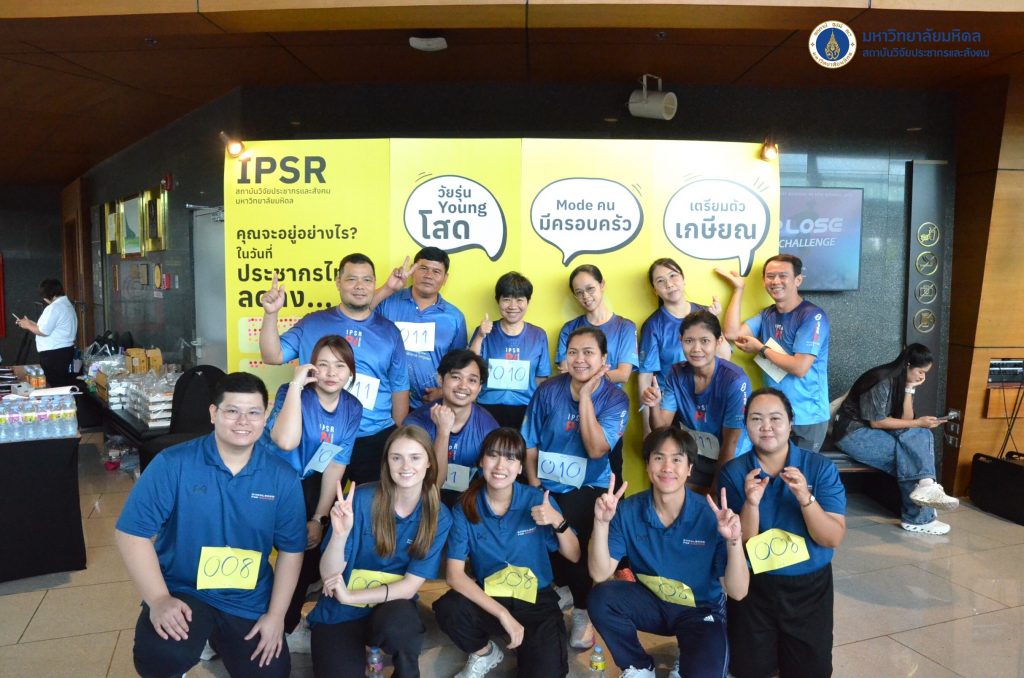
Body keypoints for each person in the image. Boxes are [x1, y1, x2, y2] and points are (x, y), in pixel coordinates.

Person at [115, 372, 306, 678]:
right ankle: (198, 639)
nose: (243, 421)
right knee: (162, 656)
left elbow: (291, 550)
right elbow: (131, 533)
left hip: (247, 597)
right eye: (232, 411)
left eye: (253, 412)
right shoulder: (173, 463)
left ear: (266, 416)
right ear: (214, 413)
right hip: (185, 588)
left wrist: (276, 616)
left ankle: (219, 637)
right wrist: (158, 599)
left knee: (270, 671)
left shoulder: (282, 477)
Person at [588, 427, 749, 678]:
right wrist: (601, 523)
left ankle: (687, 660)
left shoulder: (711, 517)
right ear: (647, 465)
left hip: (700, 610)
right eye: (658, 457)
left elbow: (738, 592)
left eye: (676, 459)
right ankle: (639, 666)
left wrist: (734, 540)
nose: (667, 467)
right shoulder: (628, 510)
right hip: (652, 602)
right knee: (602, 598)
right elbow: (599, 573)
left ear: (689, 469)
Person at [719, 388, 846, 678]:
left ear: (790, 423)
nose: (766, 427)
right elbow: (744, 543)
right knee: (749, 670)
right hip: (755, 586)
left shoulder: (820, 468)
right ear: (746, 424)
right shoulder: (734, 473)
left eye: (775, 418)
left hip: (809, 587)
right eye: (756, 419)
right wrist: (751, 504)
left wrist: (806, 499)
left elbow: (832, 538)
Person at [433, 427, 580, 678]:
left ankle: (528, 645)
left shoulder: (537, 500)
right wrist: (503, 615)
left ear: (520, 467)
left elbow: (574, 555)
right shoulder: (465, 508)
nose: (501, 465)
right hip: (491, 596)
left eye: (511, 458)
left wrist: (558, 521)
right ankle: (485, 652)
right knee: (450, 608)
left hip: (536, 599)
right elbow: (454, 575)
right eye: (493, 455)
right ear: (481, 461)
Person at [307, 425, 452, 678]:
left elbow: (409, 586)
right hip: (341, 611)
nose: (405, 466)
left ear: (429, 462)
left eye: (415, 457)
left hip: (389, 607)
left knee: (403, 629)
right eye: (396, 458)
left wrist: (351, 596)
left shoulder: (438, 515)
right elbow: (329, 575)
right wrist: (340, 534)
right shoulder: (361, 500)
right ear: (386, 462)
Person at [522, 326, 629, 650]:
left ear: (604, 359)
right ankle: (564, 586)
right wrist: (534, 485)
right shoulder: (548, 390)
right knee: (534, 520)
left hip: (590, 484)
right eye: (573, 352)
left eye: (588, 353)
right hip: (546, 481)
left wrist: (584, 398)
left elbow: (596, 449)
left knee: (576, 528)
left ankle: (583, 609)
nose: (579, 359)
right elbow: (530, 443)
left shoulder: (615, 398)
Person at [260, 252, 410, 484]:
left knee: (370, 503)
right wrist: (271, 314)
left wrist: (398, 434)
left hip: (373, 437)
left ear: (374, 284)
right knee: (315, 503)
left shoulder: (389, 331)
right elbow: (273, 355)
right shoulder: (313, 322)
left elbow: (399, 387)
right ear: (338, 282)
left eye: (367, 280)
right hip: (319, 435)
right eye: (351, 279)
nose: (359, 286)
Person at [262, 335, 364, 652]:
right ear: (311, 368)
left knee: (307, 549)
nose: (331, 373)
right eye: (323, 365)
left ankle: (286, 624)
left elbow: (336, 466)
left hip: (307, 481)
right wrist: (295, 386)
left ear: (351, 371)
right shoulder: (290, 392)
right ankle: (232, 621)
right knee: (255, 549)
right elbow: (285, 442)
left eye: (340, 366)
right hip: (269, 479)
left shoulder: (352, 408)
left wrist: (318, 518)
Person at [834, 343, 957, 535]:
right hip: (852, 433)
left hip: (877, 431)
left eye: (925, 373)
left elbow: (906, 420)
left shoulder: (901, 382)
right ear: (907, 365)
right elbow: (877, 422)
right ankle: (919, 516)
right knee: (909, 456)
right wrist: (918, 422)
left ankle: (925, 486)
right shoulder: (880, 380)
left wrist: (910, 389)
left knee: (921, 433)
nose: (922, 377)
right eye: (920, 372)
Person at [718, 254, 831, 452]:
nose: (775, 281)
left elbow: (800, 367)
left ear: (798, 280)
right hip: (775, 415)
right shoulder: (767, 314)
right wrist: (738, 290)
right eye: (770, 276)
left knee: (798, 471)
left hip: (807, 417)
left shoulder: (812, 316)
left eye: (783, 276)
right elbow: (732, 333)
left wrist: (761, 349)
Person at [641, 310, 751, 487]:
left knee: (720, 500)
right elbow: (661, 428)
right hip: (695, 458)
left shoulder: (735, 381)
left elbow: (730, 444)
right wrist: (654, 406)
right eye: (689, 341)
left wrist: (715, 491)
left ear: (718, 342)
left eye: (705, 341)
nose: (696, 349)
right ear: (681, 341)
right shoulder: (676, 373)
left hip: (731, 461)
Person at [556, 264, 637, 486]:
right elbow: (566, 372)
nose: (586, 296)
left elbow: (624, 374)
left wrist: (585, 377)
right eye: (579, 292)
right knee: (571, 476)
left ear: (602, 285)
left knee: (611, 475)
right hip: (570, 409)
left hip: (608, 411)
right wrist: (597, 374)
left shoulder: (624, 327)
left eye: (590, 288)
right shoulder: (569, 328)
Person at [638, 259, 730, 432]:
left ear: (683, 279)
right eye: (660, 281)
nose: (669, 284)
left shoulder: (705, 314)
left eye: (673, 276)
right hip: (671, 407)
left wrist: (714, 320)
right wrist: (647, 429)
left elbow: (725, 357)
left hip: (708, 401)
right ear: (655, 290)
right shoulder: (653, 325)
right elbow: (645, 377)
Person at [373, 247, 469, 409]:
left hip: (430, 404)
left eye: (436, 271)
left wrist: (443, 392)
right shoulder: (387, 302)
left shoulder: (454, 318)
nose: (428, 275)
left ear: (445, 278)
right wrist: (388, 288)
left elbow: (459, 365)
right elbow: (357, 310)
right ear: (412, 270)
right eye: (423, 268)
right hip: (385, 400)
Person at [403, 349, 499, 507]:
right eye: (456, 377)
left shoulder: (489, 428)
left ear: (479, 387)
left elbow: (494, 483)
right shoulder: (415, 423)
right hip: (421, 500)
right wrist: (443, 432)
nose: (463, 386)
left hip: (470, 503)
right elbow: (432, 484)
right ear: (440, 379)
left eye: (472, 380)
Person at [469, 271, 552, 429]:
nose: (513, 306)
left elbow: (541, 378)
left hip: (525, 410)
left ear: (528, 301)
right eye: (506, 299)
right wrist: (480, 336)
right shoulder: (484, 331)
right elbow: (470, 368)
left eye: (519, 300)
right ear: (498, 301)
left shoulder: (538, 335)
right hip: (487, 407)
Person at [14, 278, 77, 387]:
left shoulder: (55, 307)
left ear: (50, 295)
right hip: (62, 352)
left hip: (54, 354)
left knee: (56, 385)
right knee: (61, 383)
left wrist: (27, 325)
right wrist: (30, 323)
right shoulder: (66, 304)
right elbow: (48, 327)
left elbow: (43, 331)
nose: (44, 300)